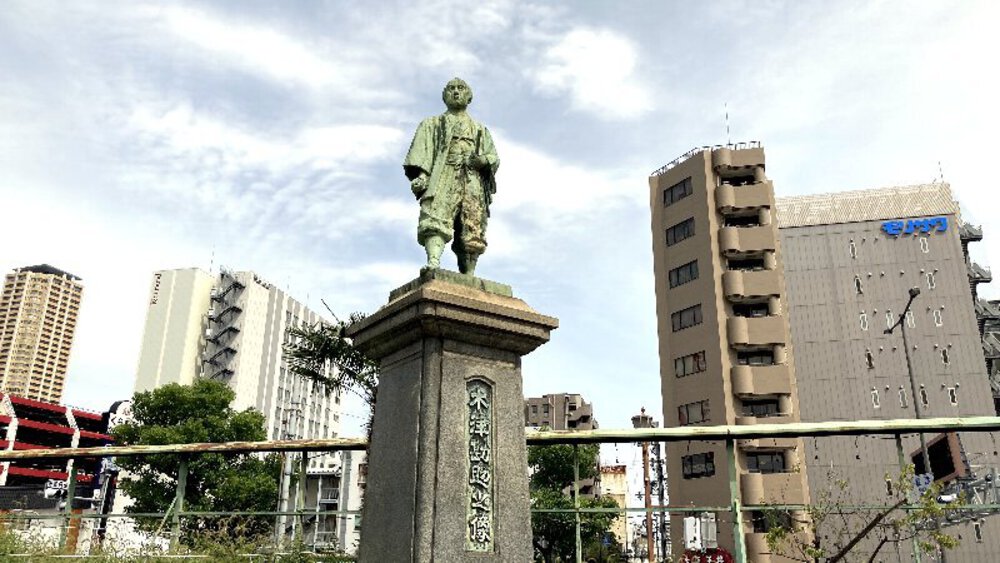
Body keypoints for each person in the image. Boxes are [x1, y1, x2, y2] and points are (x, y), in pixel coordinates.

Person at [403, 78, 499, 276]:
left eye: (461, 88)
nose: (456, 92)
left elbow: (493, 157)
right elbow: (423, 151)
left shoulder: (480, 129)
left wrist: (482, 160)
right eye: (451, 89)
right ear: (444, 95)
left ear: (469, 96)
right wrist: (422, 175)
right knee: (435, 216)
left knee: (472, 224)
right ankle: (433, 261)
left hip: (471, 178)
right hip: (443, 173)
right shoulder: (432, 124)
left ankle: (469, 274)